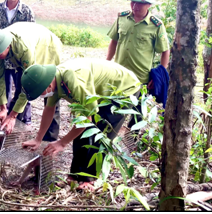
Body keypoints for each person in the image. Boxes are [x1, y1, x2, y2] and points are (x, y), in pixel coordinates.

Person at [21, 59, 141, 191]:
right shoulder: (54, 80)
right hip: (100, 91)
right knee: (80, 133)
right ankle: (76, 174)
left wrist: (62, 143)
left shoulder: (73, 81)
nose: (40, 96)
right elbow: (49, 110)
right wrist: (38, 138)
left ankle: (90, 178)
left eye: (40, 93)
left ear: (48, 85)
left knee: (101, 134)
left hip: (123, 89)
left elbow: (86, 119)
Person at [0, 23, 62, 141]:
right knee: (19, 87)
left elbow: (27, 90)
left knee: (50, 94)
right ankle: (12, 131)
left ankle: (49, 139)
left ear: (6, 47)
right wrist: (3, 108)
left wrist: (12, 115)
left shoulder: (23, 48)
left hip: (47, 48)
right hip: (28, 48)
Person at [106, 0, 170, 127]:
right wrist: (107, 63)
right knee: (113, 110)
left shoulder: (156, 25)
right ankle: (110, 136)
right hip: (118, 74)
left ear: (149, 5)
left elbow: (165, 51)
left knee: (137, 115)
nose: (135, 6)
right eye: (133, 2)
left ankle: (133, 141)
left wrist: (160, 74)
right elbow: (114, 41)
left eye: (140, 3)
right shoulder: (122, 18)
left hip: (141, 78)